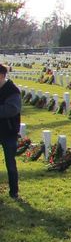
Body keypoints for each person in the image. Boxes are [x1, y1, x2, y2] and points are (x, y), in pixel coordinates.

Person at [0, 64, 21, 200]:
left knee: (10, 163)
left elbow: (11, 110)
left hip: (8, 132)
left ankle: (14, 191)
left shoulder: (12, 91)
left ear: (1, 75)